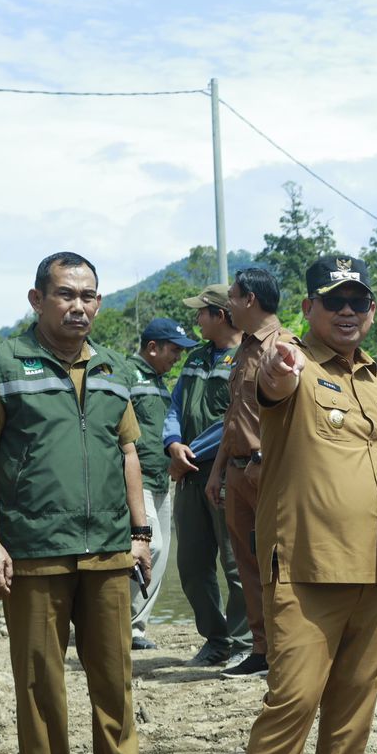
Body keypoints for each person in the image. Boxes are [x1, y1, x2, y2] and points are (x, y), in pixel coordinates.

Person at [0, 251, 168, 754]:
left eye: (89, 296)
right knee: (40, 677)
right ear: (37, 300)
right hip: (33, 547)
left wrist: (140, 532)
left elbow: (128, 451)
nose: (79, 306)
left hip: (107, 546)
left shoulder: (113, 367)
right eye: (66, 295)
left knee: (114, 673)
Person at [223, 256, 377, 754]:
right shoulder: (292, 364)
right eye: (334, 301)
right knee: (292, 701)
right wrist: (276, 372)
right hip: (304, 567)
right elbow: (272, 388)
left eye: (358, 301)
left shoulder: (375, 379)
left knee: (355, 698)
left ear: (371, 311)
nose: (348, 312)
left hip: (375, 567)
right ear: (310, 310)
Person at [206, 267, 293, 681]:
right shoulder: (244, 349)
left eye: (232, 298)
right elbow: (234, 417)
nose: (228, 306)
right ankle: (261, 650)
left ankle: (287, 650)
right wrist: (219, 471)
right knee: (248, 564)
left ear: (249, 301)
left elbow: (294, 420)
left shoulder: (284, 347)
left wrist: (262, 462)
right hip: (239, 472)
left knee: (279, 564)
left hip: (268, 473)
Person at [164, 283, 251, 667]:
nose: (196, 318)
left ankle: (246, 643)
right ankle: (216, 640)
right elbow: (175, 405)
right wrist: (172, 444)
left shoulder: (248, 357)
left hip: (229, 475)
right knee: (192, 565)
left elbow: (236, 419)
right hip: (189, 476)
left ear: (220, 315)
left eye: (201, 312)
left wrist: (191, 451)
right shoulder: (197, 358)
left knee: (236, 565)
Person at [124, 317, 197, 651]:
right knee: (147, 547)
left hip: (161, 480)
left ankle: (135, 627)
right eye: (173, 350)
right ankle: (114, 621)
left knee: (163, 554)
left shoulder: (160, 382)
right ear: (152, 347)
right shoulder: (126, 374)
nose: (177, 358)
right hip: (135, 481)